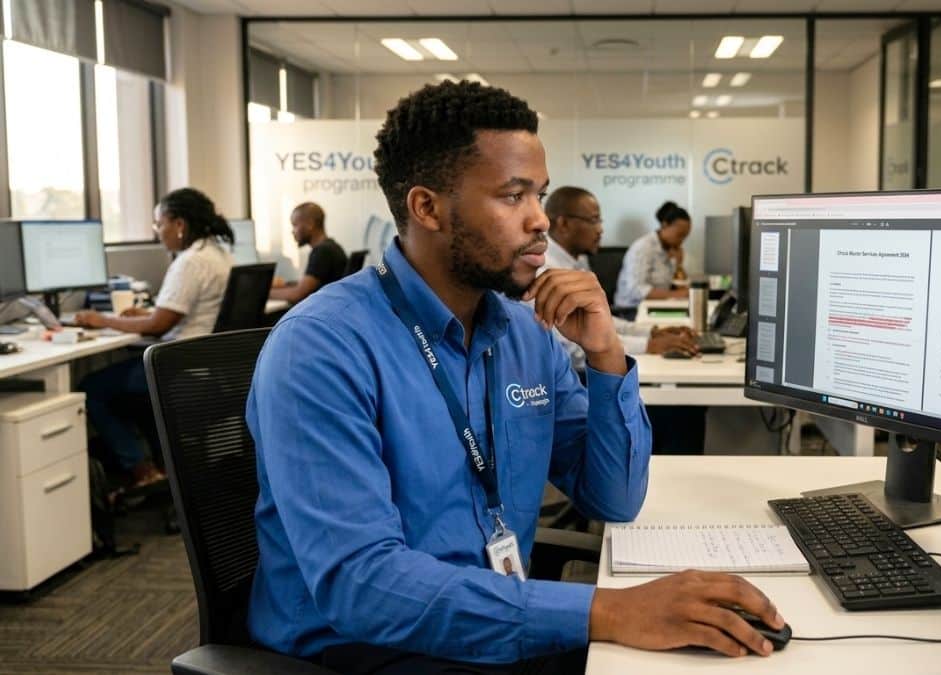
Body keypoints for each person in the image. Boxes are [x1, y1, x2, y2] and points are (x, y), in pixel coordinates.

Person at [245, 80, 785, 674]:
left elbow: (613, 498)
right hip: (367, 653)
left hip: (498, 624)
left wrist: (606, 354)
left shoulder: (526, 335)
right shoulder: (322, 347)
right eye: (513, 196)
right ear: (427, 208)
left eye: (541, 195)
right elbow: (364, 587)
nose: (540, 221)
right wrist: (606, 612)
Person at [75, 187, 234, 487]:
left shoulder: (190, 261)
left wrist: (101, 320)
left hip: (179, 369)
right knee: (134, 398)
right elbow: (174, 314)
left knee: (91, 389)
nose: (158, 232)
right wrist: (144, 315)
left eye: (159, 224)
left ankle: (141, 469)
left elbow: (159, 326)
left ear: (179, 225)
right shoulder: (217, 254)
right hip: (206, 368)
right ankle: (162, 468)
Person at [541, 186, 697, 370]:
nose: (600, 230)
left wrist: (650, 333)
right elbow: (571, 350)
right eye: (593, 221)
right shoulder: (544, 270)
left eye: (600, 221)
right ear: (563, 224)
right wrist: (647, 345)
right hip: (572, 380)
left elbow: (599, 323)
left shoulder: (578, 260)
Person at [613, 201, 692, 311]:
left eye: (685, 236)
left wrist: (679, 265)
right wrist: (677, 294)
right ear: (665, 225)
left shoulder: (669, 249)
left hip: (656, 306)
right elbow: (636, 290)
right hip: (631, 309)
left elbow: (672, 285)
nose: (682, 241)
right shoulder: (643, 248)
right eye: (679, 235)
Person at [269, 202, 348, 304]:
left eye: (295, 225)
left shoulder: (322, 252)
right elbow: (306, 286)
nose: (293, 231)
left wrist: (263, 293)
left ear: (310, 224)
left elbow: (298, 294)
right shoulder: (333, 247)